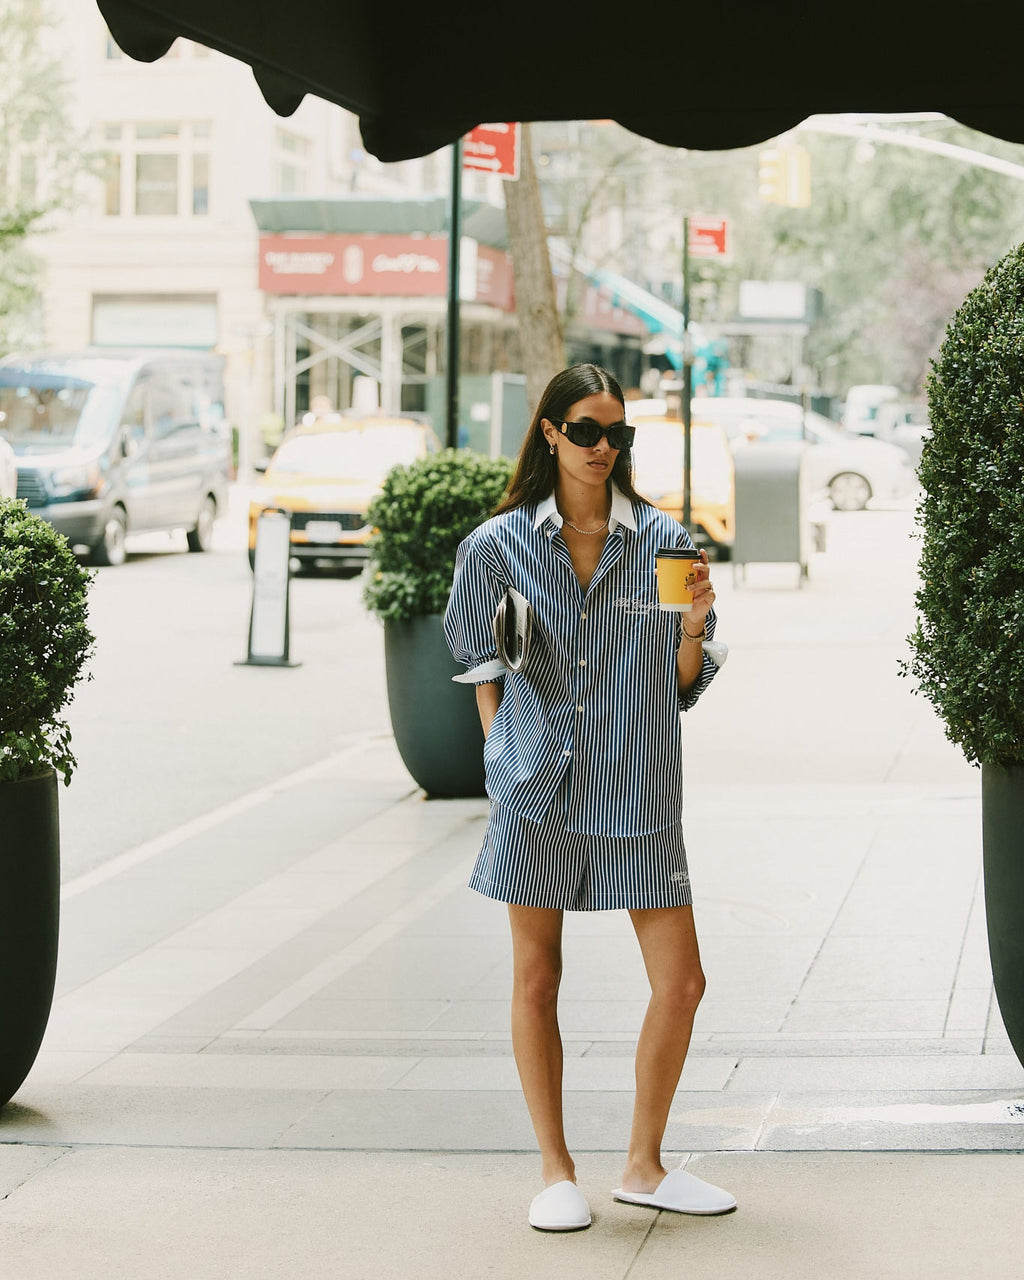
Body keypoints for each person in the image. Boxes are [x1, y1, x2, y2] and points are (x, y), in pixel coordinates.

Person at [443, 363, 736, 1232]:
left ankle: (644, 1166)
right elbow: (481, 664)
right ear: (550, 432)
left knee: (681, 983)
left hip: (639, 785)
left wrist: (693, 627)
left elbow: (680, 683)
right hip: (536, 787)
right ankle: (556, 1172)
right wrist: (501, 751)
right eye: (586, 431)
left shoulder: (666, 542)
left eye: (617, 434)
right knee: (537, 977)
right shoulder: (495, 547)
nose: (603, 447)